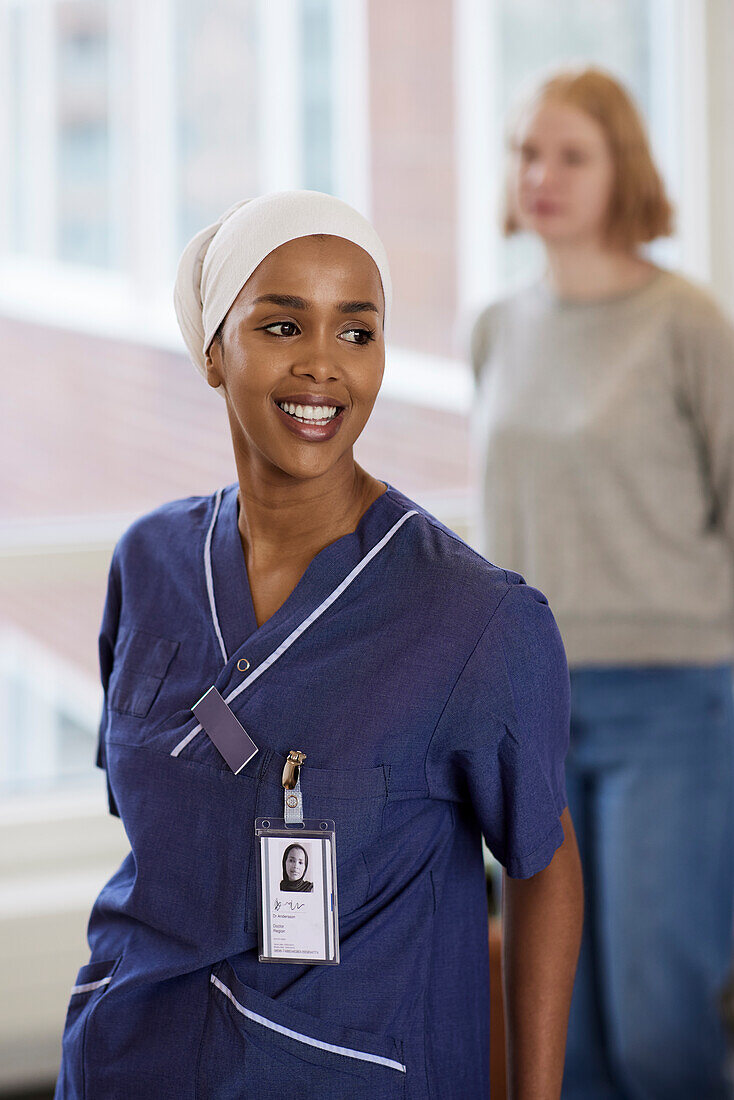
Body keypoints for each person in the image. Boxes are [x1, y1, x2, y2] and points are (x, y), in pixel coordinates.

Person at [54, 189, 582, 1100]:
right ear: (216, 351)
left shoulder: (474, 618)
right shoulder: (148, 562)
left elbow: (544, 865)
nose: (322, 367)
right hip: (123, 1061)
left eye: (356, 333)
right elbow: (159, 835)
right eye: (284, 325)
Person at [470, 66, 734, 1099]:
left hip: (668, 699)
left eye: (569, 154)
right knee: (555, 1037)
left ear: (620, 167)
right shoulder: (494, 326)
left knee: (658, 1028)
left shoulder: (684, 324)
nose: (540, 174)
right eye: (526, 152)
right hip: (531, 709)